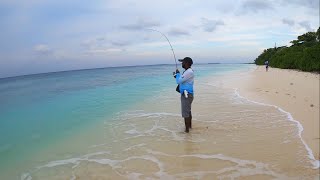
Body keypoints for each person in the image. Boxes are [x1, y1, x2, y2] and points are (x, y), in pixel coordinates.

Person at [173, 57, 194, 133]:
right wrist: (176, 76)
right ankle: (190, 127)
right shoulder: (187, 72)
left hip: (186, 95)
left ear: (187, 63)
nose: (182, 63)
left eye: (183, 62)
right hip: (187, 94)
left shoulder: (189, 72)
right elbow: (181, 80)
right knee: (188, 112)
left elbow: (179, 81)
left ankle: (187, 131)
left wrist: (178, 74)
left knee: (186, 113)